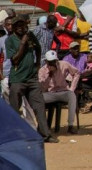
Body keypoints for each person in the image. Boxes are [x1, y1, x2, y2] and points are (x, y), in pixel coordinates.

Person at [6, 15, 57, 143]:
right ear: (13, 28)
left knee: (39, 106)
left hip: (32, 78)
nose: (20, 28)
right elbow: (15, 60)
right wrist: (23, 42)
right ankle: (15, 136)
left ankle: (45, 134)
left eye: (22, 25)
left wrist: (38, 64)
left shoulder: (30, 36)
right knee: (14, 109)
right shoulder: (10, 40)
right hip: (17, 79)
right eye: (17, 26)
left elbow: (38, 48)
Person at [39, 50, 80, 133]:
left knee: (72, 96)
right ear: (46, 61)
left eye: (53, 61)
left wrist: (72, 88)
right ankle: (42, 126)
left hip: (63, 91)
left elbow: (77, 73)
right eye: (50, 62)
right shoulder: (42, 70)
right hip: (50, 93)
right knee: (38, 99)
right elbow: (42, 87)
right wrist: (48, 75)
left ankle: (70, 125)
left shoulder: (64, 64)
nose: (52, 63)